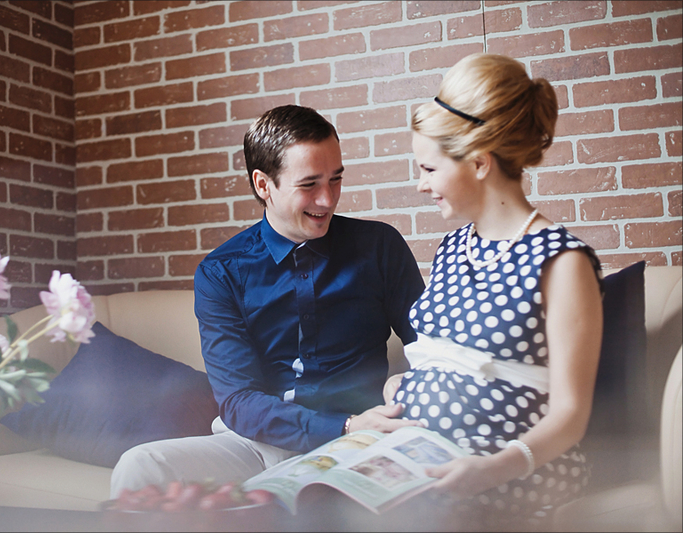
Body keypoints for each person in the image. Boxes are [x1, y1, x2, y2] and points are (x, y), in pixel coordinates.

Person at [111, 105, 426, 497]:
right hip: (255, 444)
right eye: (309, 184)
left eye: (336, 179)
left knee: (305, 498)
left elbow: (432, 347)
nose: (327, 199)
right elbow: (239, 401)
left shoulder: (379, 247)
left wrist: (404, 383)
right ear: (263, 185)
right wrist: (343, 426)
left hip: (356, 444)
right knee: (139, 466)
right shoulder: (221, 273)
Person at [382, 53, 604, 529]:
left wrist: (491, 469)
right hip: (427, 467)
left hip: (513, 474)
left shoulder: (563, 262)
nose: (420, 185)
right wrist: (405, 385)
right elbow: (450, 357)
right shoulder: (452, 247)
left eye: (429, 169)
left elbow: (570, 414)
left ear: (480, 163)